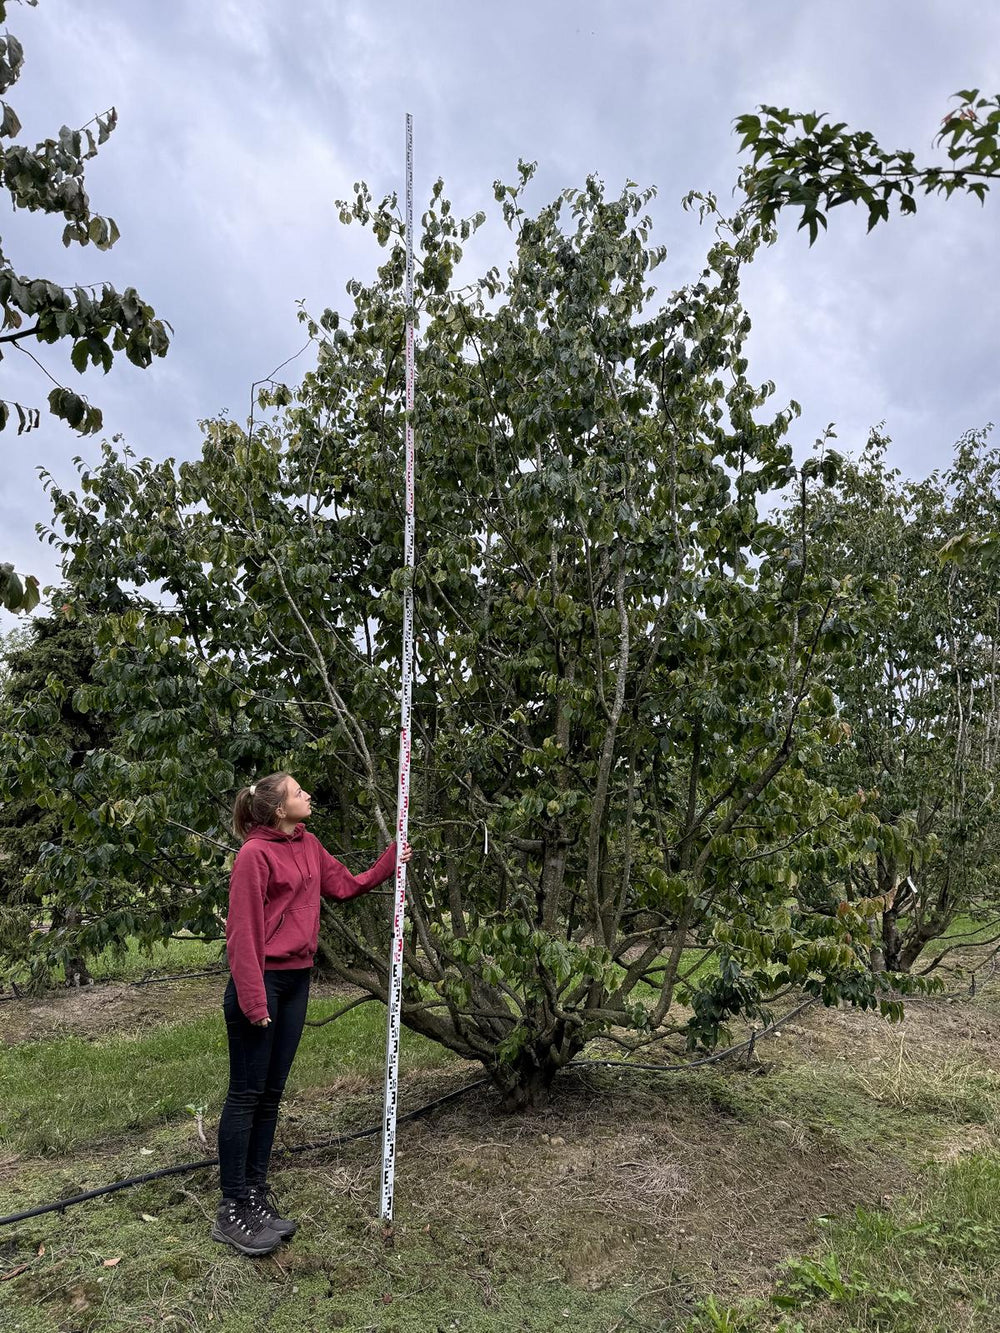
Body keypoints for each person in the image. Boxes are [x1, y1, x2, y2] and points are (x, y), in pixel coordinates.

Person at [212, 771, 411, 1256]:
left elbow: (342, 886)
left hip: (297, 980)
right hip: (260, 981)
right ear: (279, 809)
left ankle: (256, 1194)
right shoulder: (254, 856)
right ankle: (232, 1207)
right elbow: (242, 934)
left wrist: (390, 862)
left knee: (272, 1093)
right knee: (247, 1093)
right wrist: (253, 1000)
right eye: (299, 792)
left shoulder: (308, 844)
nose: (308, 796)